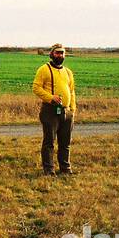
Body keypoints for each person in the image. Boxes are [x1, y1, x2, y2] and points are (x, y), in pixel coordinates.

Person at [32, 43, 76, 175]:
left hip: (66, 112)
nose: (60, 55)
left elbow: (72, 91)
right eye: (57, 53)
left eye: (62, 53)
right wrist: (51, 97)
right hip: (50, 111)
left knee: (65, 143)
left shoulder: (68, 72)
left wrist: (72, 109)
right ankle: (49, 170)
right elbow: (36, 88)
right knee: (49, 142)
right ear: (52, 54)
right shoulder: (44, 69)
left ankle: (65, 169)